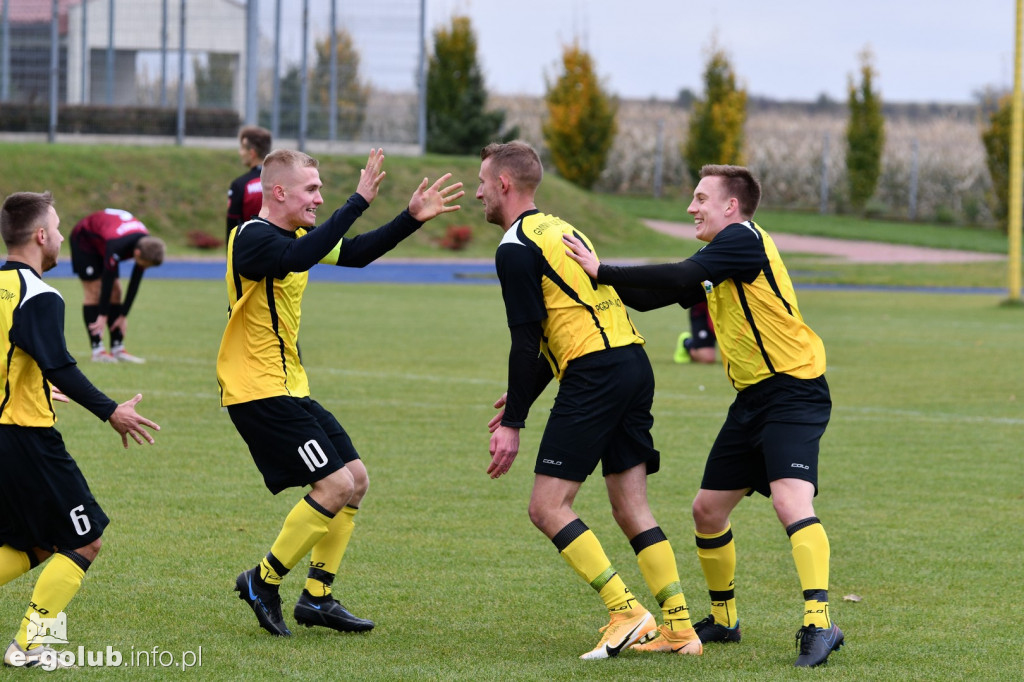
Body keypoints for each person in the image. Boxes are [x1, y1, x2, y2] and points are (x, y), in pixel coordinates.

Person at [562, 164, 842, 668]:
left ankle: (820, 623)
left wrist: (602, 270)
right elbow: (661, 293)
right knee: (707, 510)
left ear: (730, 206)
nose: (691, 207)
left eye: (700, 198)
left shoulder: (743, 241)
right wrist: (589, 281)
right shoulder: (722, 255)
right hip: (754, 399)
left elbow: (679, 275)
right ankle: (725, 620)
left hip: (795, 391)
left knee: (789, 500)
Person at [219, 148, 463, 637]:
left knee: (355, 478)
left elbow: (354, 253)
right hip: (256, 390)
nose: (319, 197)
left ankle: (317, 597)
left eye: (321, 189)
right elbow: (294, 257)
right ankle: (262, 582)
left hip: (288, 386)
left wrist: (410, 218)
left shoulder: (298, 237)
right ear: (279, 192)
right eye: (311, 189)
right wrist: (355, 203)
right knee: (333, 486)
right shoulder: (252, 237)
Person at [478, 141, 702, 660]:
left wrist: (513, 422)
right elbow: (561, 329)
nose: (479, 192)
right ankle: (679, 628)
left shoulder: (514, 247)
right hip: (631, 365)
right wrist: (522, 398)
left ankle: (625, 610)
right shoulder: (561, 229)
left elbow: (526, 339)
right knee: (631, 506)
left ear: (505, 184)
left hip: (594, 373)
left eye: (483, 182)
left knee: (547, 506)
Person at [0, 192, 160, 669]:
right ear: (40, 236)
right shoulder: (40, 294)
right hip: (24, 437)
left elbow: (19, 357)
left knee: (34, 541)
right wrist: (111, 411)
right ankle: (28, 646)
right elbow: (60, 364)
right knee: (85, 539)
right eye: (58, 226)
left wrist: (30, 385)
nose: (64, 236)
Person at [69, 208, 166, 364]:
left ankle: (117, 348)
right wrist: (102, 314)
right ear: (137, 253)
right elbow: (107, 279)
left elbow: (135, 280)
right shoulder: (117, 245)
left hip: (103, 240)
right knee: (94, 290)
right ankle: (98, 350)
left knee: (117, 291)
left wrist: (123, 315)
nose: (144, 268)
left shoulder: (146, 244)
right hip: (85, 240)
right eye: (144, 264)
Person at [227, 125, 272, 243]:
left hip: (249, 252)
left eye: (242, 148)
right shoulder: (283, 181)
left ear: (252, 153)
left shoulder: (240, 185)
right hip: (279, 251)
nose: (240, 152)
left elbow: (232, 226)